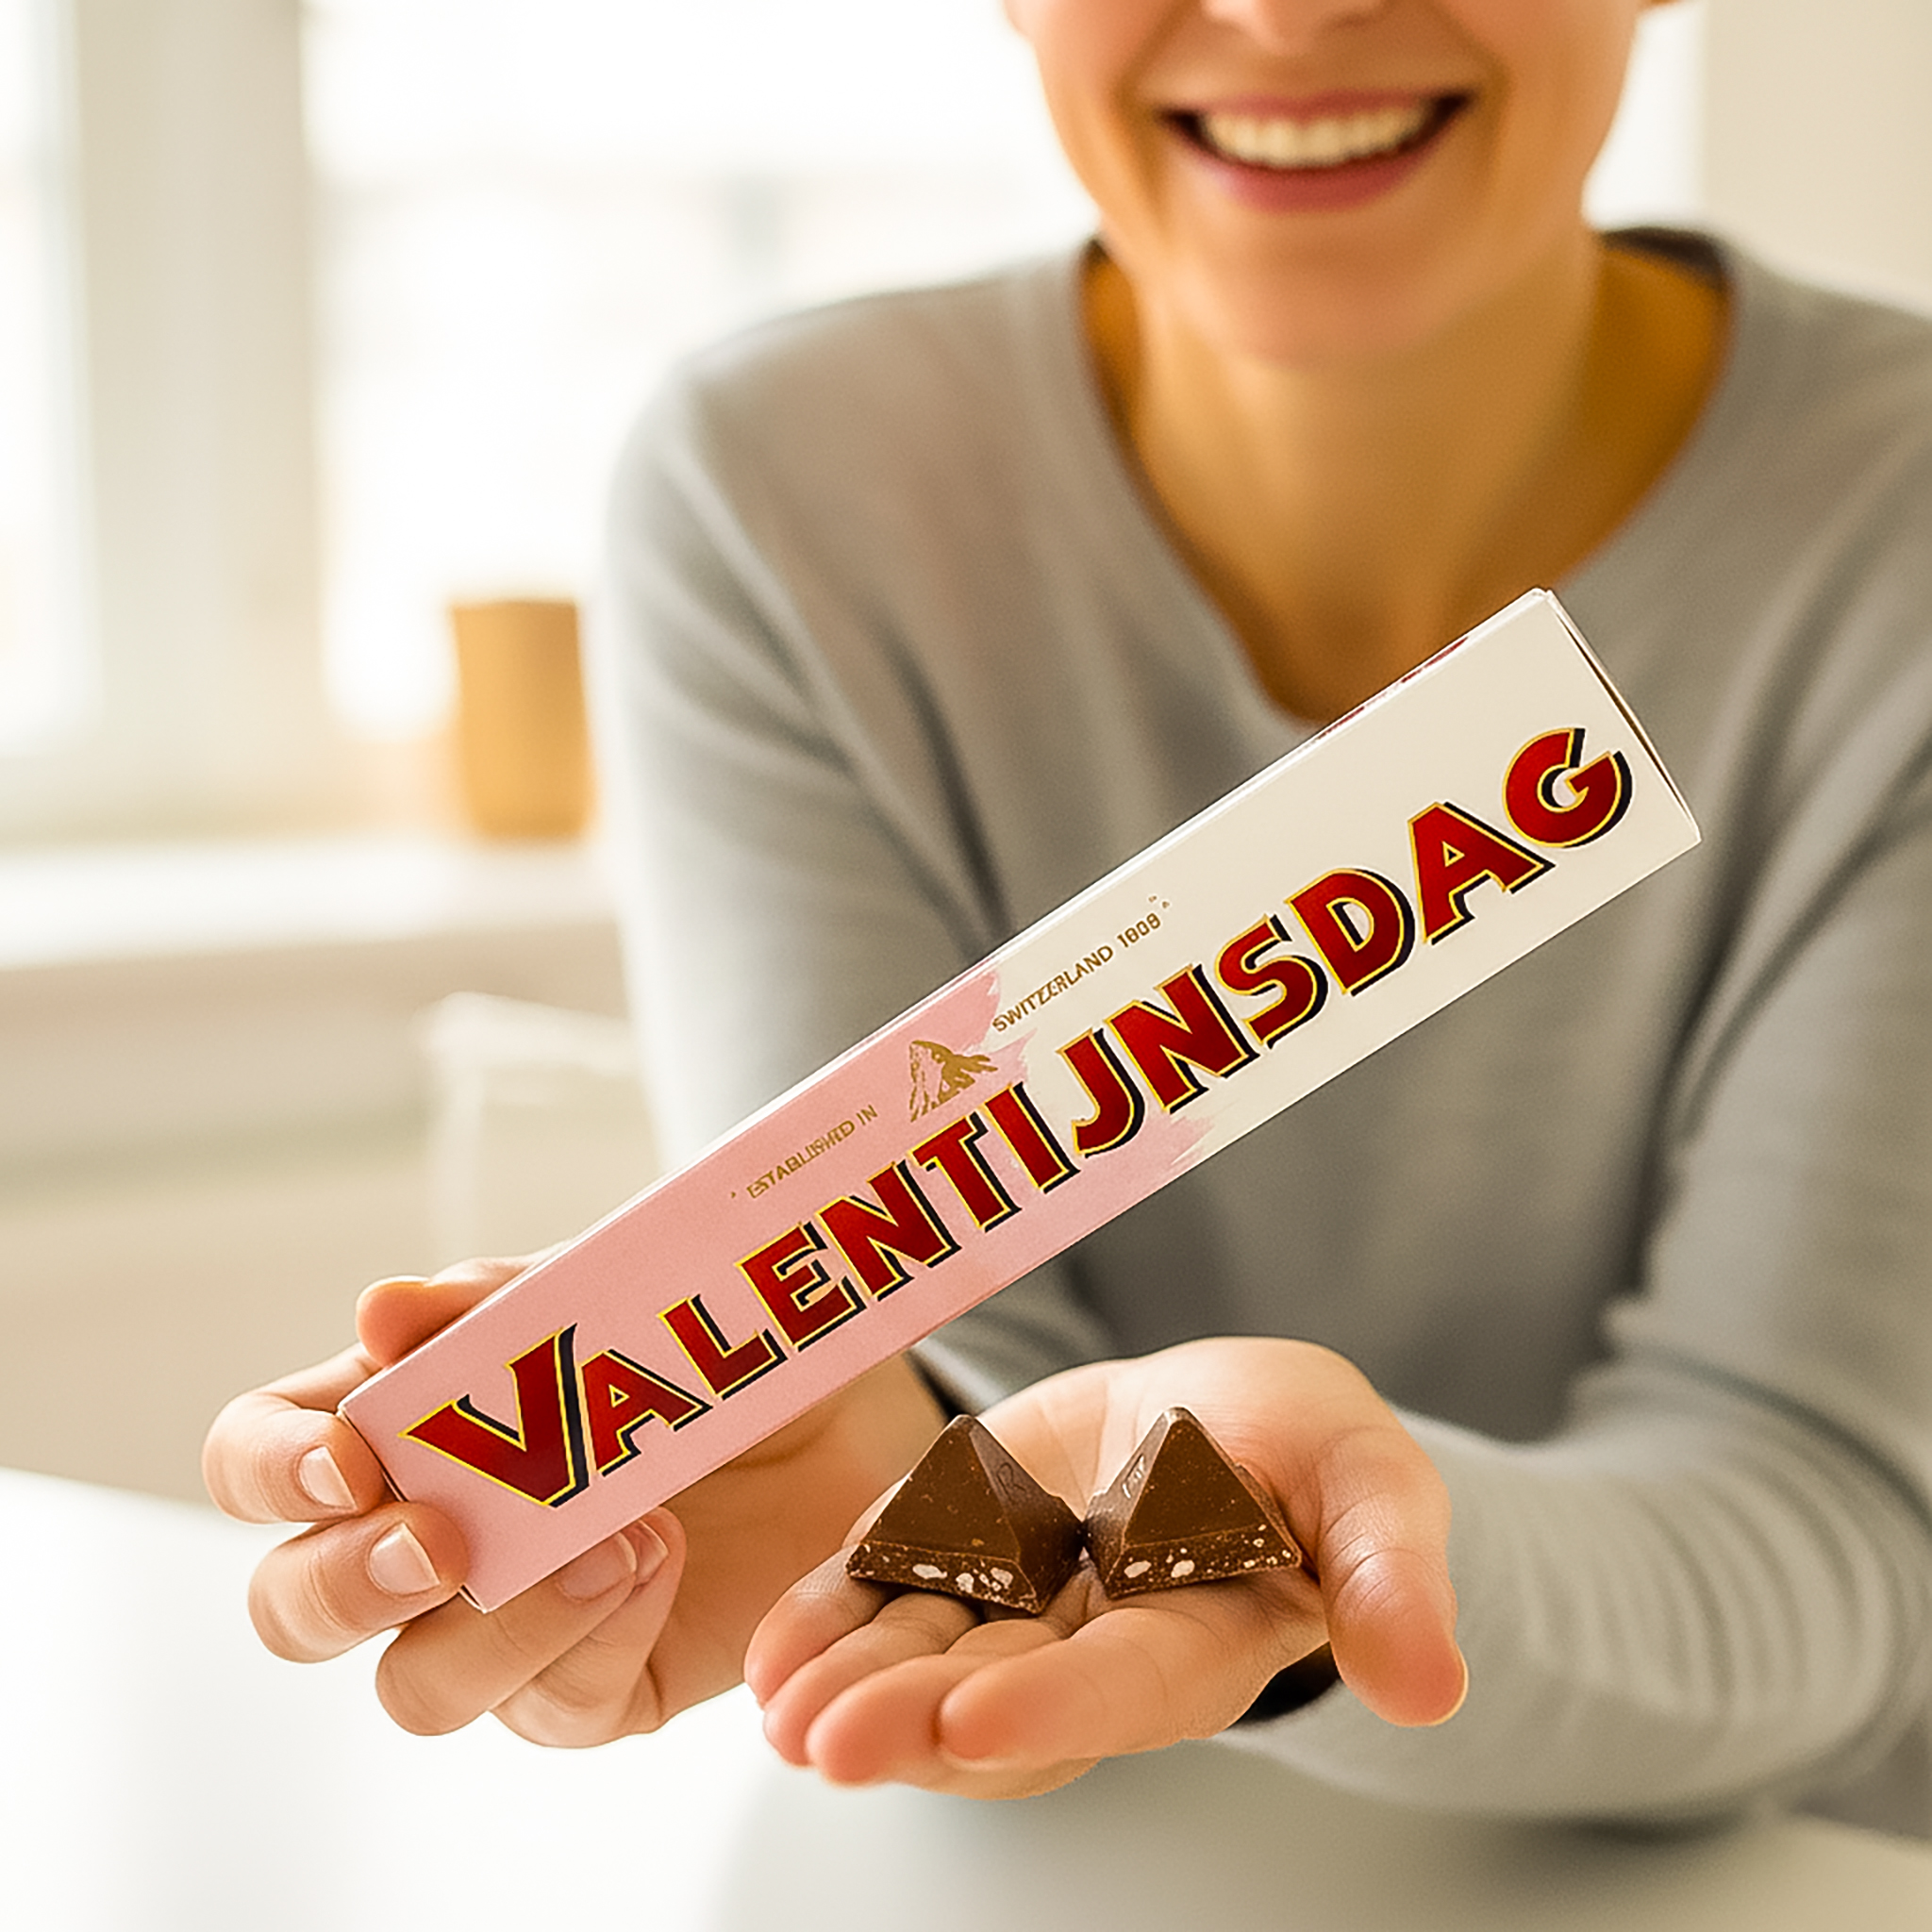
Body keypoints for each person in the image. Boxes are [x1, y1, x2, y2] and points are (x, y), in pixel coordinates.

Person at [204, 0, 1932, 1834]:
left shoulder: (1890, 539)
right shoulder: (780, 505)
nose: (1285, 14)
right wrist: (897, 1460)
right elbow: (951, 1457)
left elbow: (1829, 1535)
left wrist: (1314, 1554)